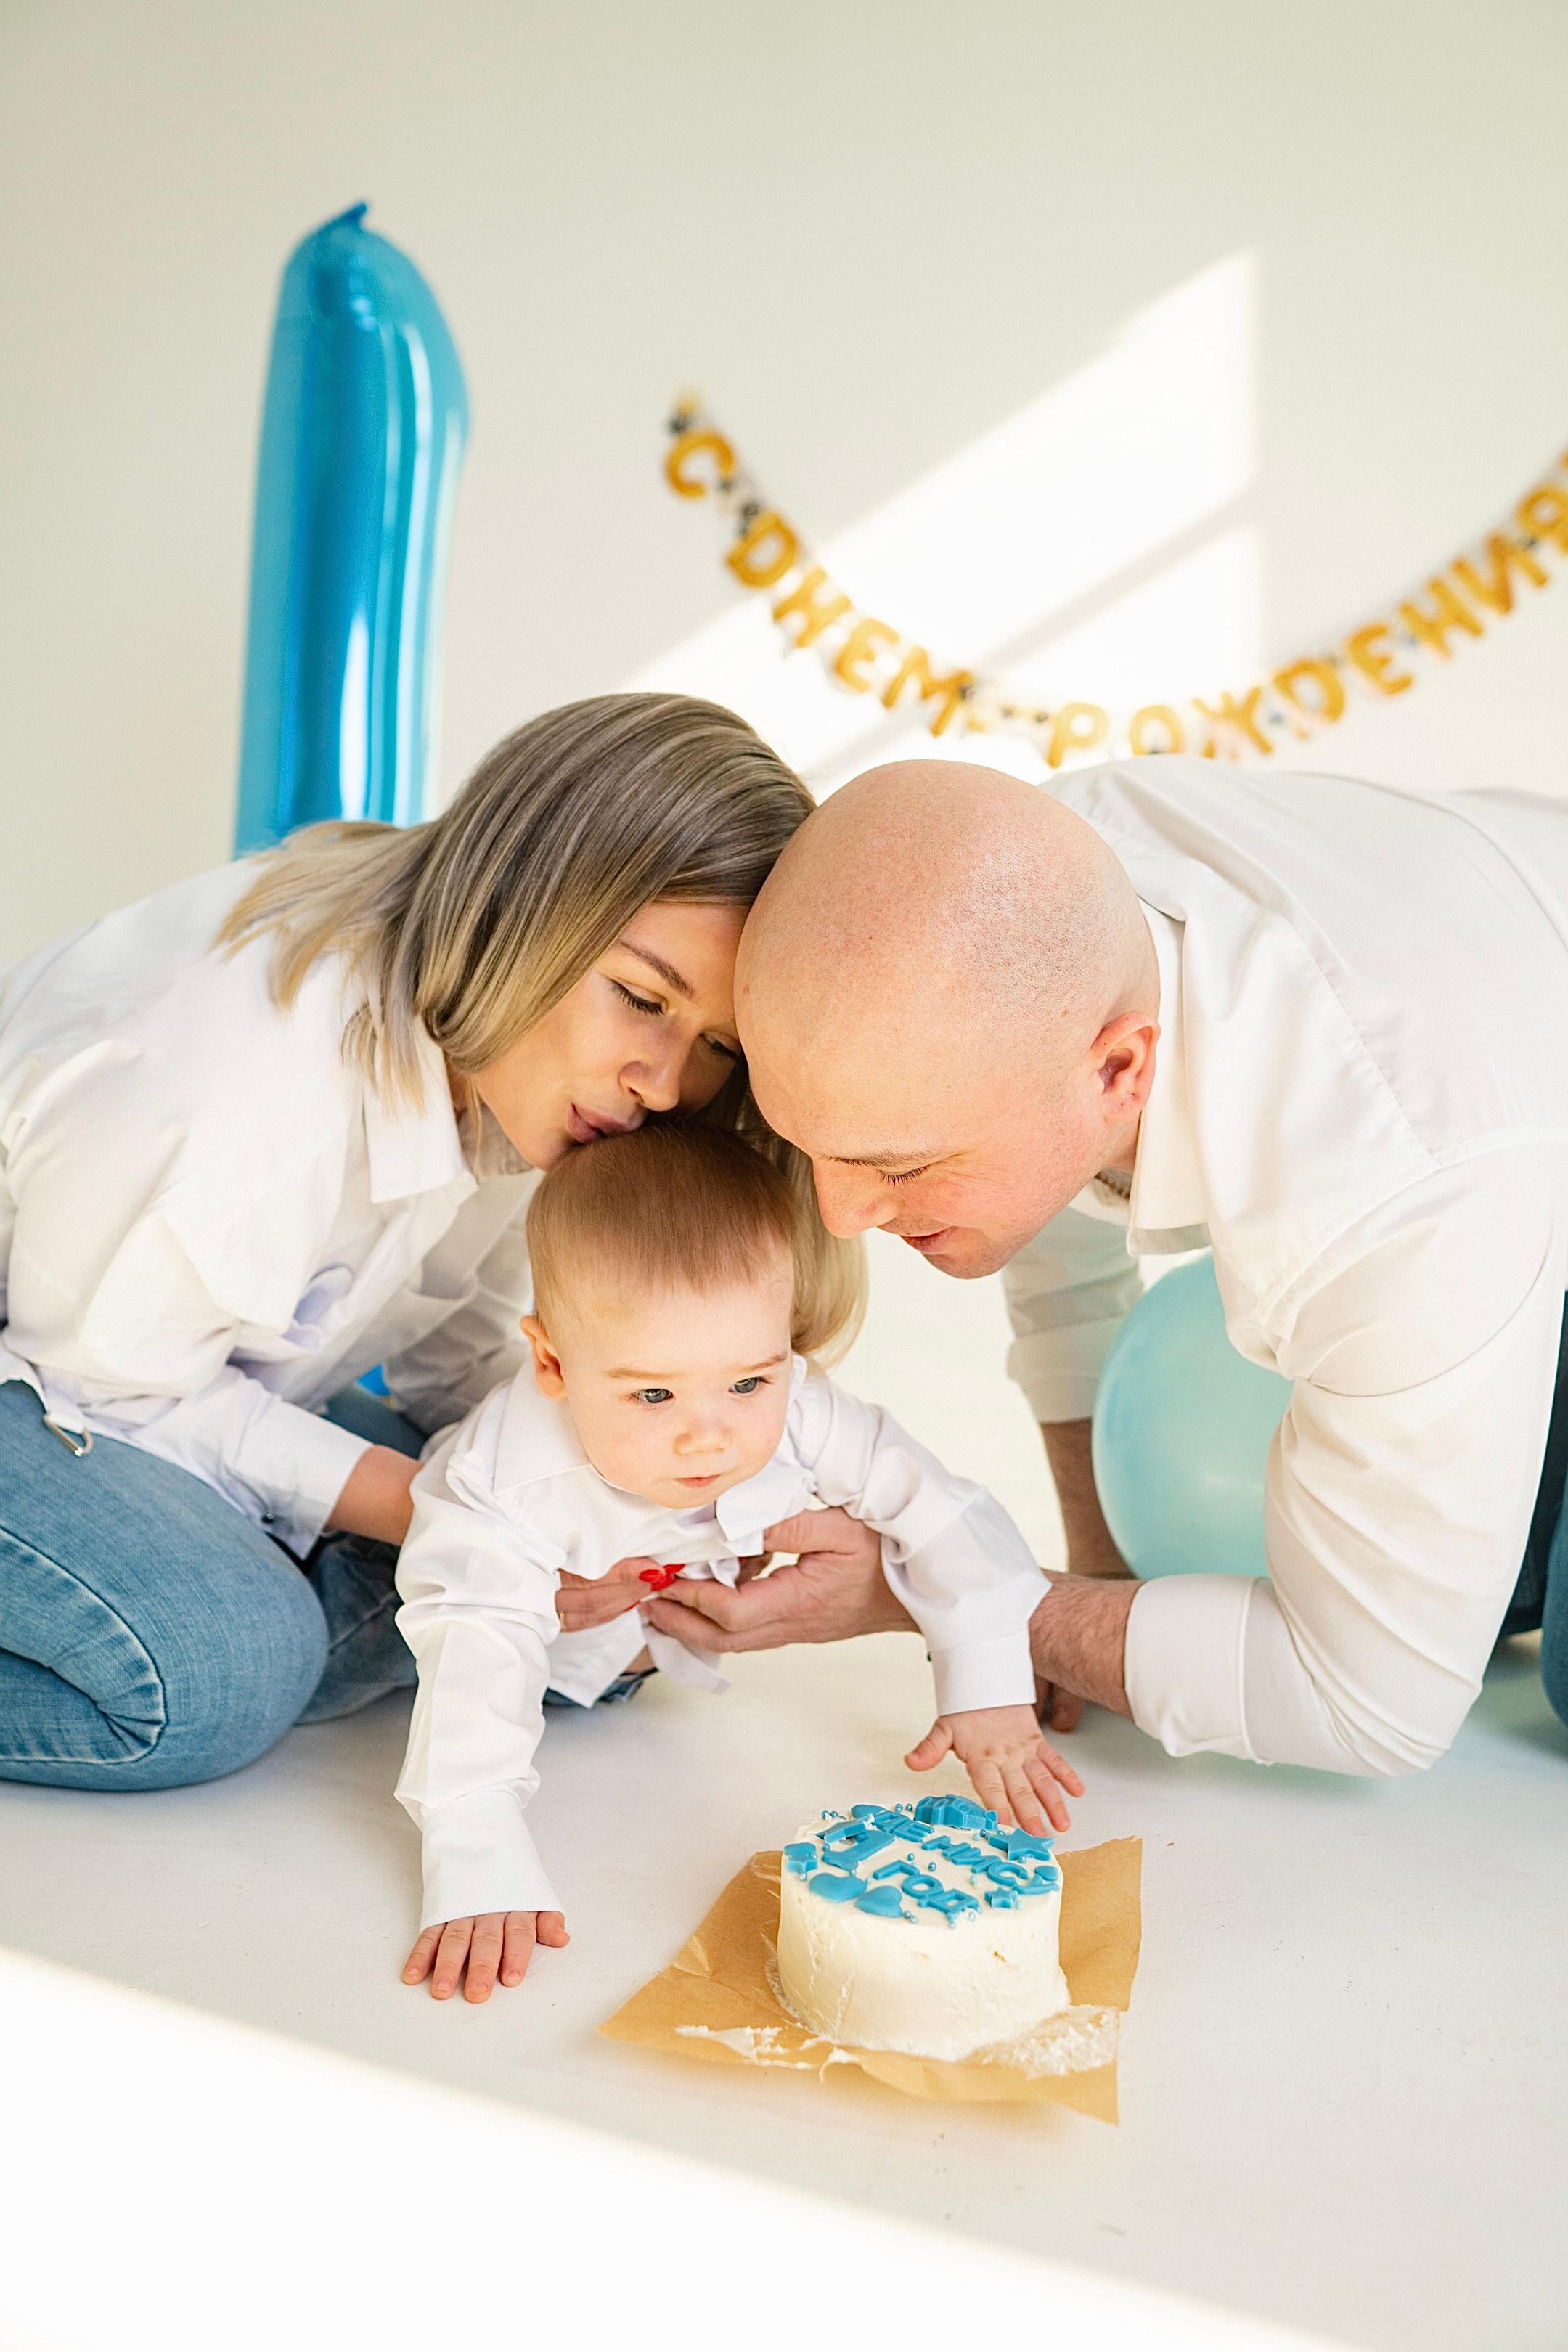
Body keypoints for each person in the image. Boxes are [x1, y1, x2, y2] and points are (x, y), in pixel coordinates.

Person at [635, 754, 1568, 1773]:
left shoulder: (1397, 1188)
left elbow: (1374, 1708)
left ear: (1122, 1068)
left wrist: (937, 1589)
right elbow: (1059, 1220)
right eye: (810, 1143)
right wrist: (1100, 1573)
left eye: (900, 1163)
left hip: (1486, 1132)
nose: (840, 1215)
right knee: (1431, 1551)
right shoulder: (1039, 880)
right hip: (1508, 1052)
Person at [0, 693, 835, 1794]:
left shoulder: (508, 1052)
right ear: (529, 903)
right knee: (218, 1668)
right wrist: (455, 1517)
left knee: (587, 1608)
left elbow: (462, 1334)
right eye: (641, 997)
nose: (668, 1083)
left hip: (175, 1361)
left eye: (716, 1045)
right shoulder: (234, 1093)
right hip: (62, 1370)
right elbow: (111, 1389)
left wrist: (624, 1484)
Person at [394, 1119, 1077, 2002]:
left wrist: (987, 1682)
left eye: (748, 1382)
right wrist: (477, 1848)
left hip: (625, 1663)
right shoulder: (504, 1482)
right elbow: (472, 1648)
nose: (709, 1435)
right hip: (437, 1603)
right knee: (372, 1641)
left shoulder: (795, 1405)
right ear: (555, 1362)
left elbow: (940, 1509)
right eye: (653, 1394)